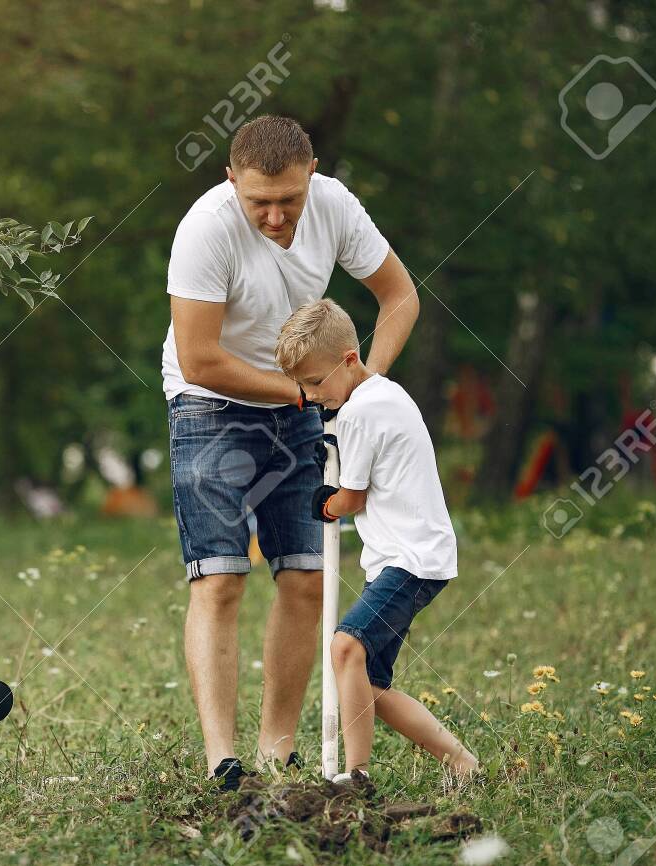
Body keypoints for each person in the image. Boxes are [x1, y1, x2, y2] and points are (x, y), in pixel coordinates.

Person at [163, 114, 420, 790]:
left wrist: (362, 384)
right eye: (259, 202)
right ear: (231, 181)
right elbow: (198, 358)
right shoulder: (205, 229)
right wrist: (305, 393)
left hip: (304, 403)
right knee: (220, 578)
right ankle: (224, 762)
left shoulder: (335, 205)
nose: (275, 217)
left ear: (313, 175)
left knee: (307, 578)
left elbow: (399, 296)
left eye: (289, 200)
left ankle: (276, 751)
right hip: (209, 404)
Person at [276, 298, 478, 784]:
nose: (311, 396)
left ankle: (356, 776)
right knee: (368, 685)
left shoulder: (360, 413)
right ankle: (463, 764)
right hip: (410, 556)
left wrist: (325, 503)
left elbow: (352, 497)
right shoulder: (386, 394)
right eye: (302, 387)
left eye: (316, 382)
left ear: (350, 359)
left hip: (410, 559)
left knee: (346, 646)